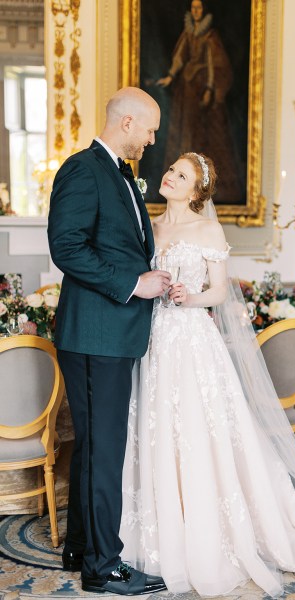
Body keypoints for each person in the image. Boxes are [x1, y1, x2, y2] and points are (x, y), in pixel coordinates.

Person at [120, 152, 295, 597]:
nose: (170, 177)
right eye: (171, 170)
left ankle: (210, 530)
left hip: (192, 342)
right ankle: (162, 524)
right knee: (156, 430)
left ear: (196, 192)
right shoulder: (148, 226)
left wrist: (187, 295)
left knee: (196, 430)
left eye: (181, 175)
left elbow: (218, 291)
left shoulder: (208, 229)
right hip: (152, 342)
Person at [47, 87, 170, 595]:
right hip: (97, 332)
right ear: (126, 123)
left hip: (108, 333)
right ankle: (103, 567)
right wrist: (134, 284)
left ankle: (80, 546)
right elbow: (66, 246)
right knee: (106, 448)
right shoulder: (84, 169)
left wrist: (150, 275)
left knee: (96, 444)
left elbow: (121, 245)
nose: (152, 137)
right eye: (150, 127)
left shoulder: (120, 175)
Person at [156, 0, 243, 203]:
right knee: (185, 130)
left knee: (207, 133)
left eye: (199, 8)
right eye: (193, 8)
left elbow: (215, 63)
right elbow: (179, 56)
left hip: (202, 87)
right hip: (187, 91)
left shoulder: (210, 36)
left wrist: (210, 89)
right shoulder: (188, 34)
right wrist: (170, 76)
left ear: (205, 11)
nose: (195, 11)